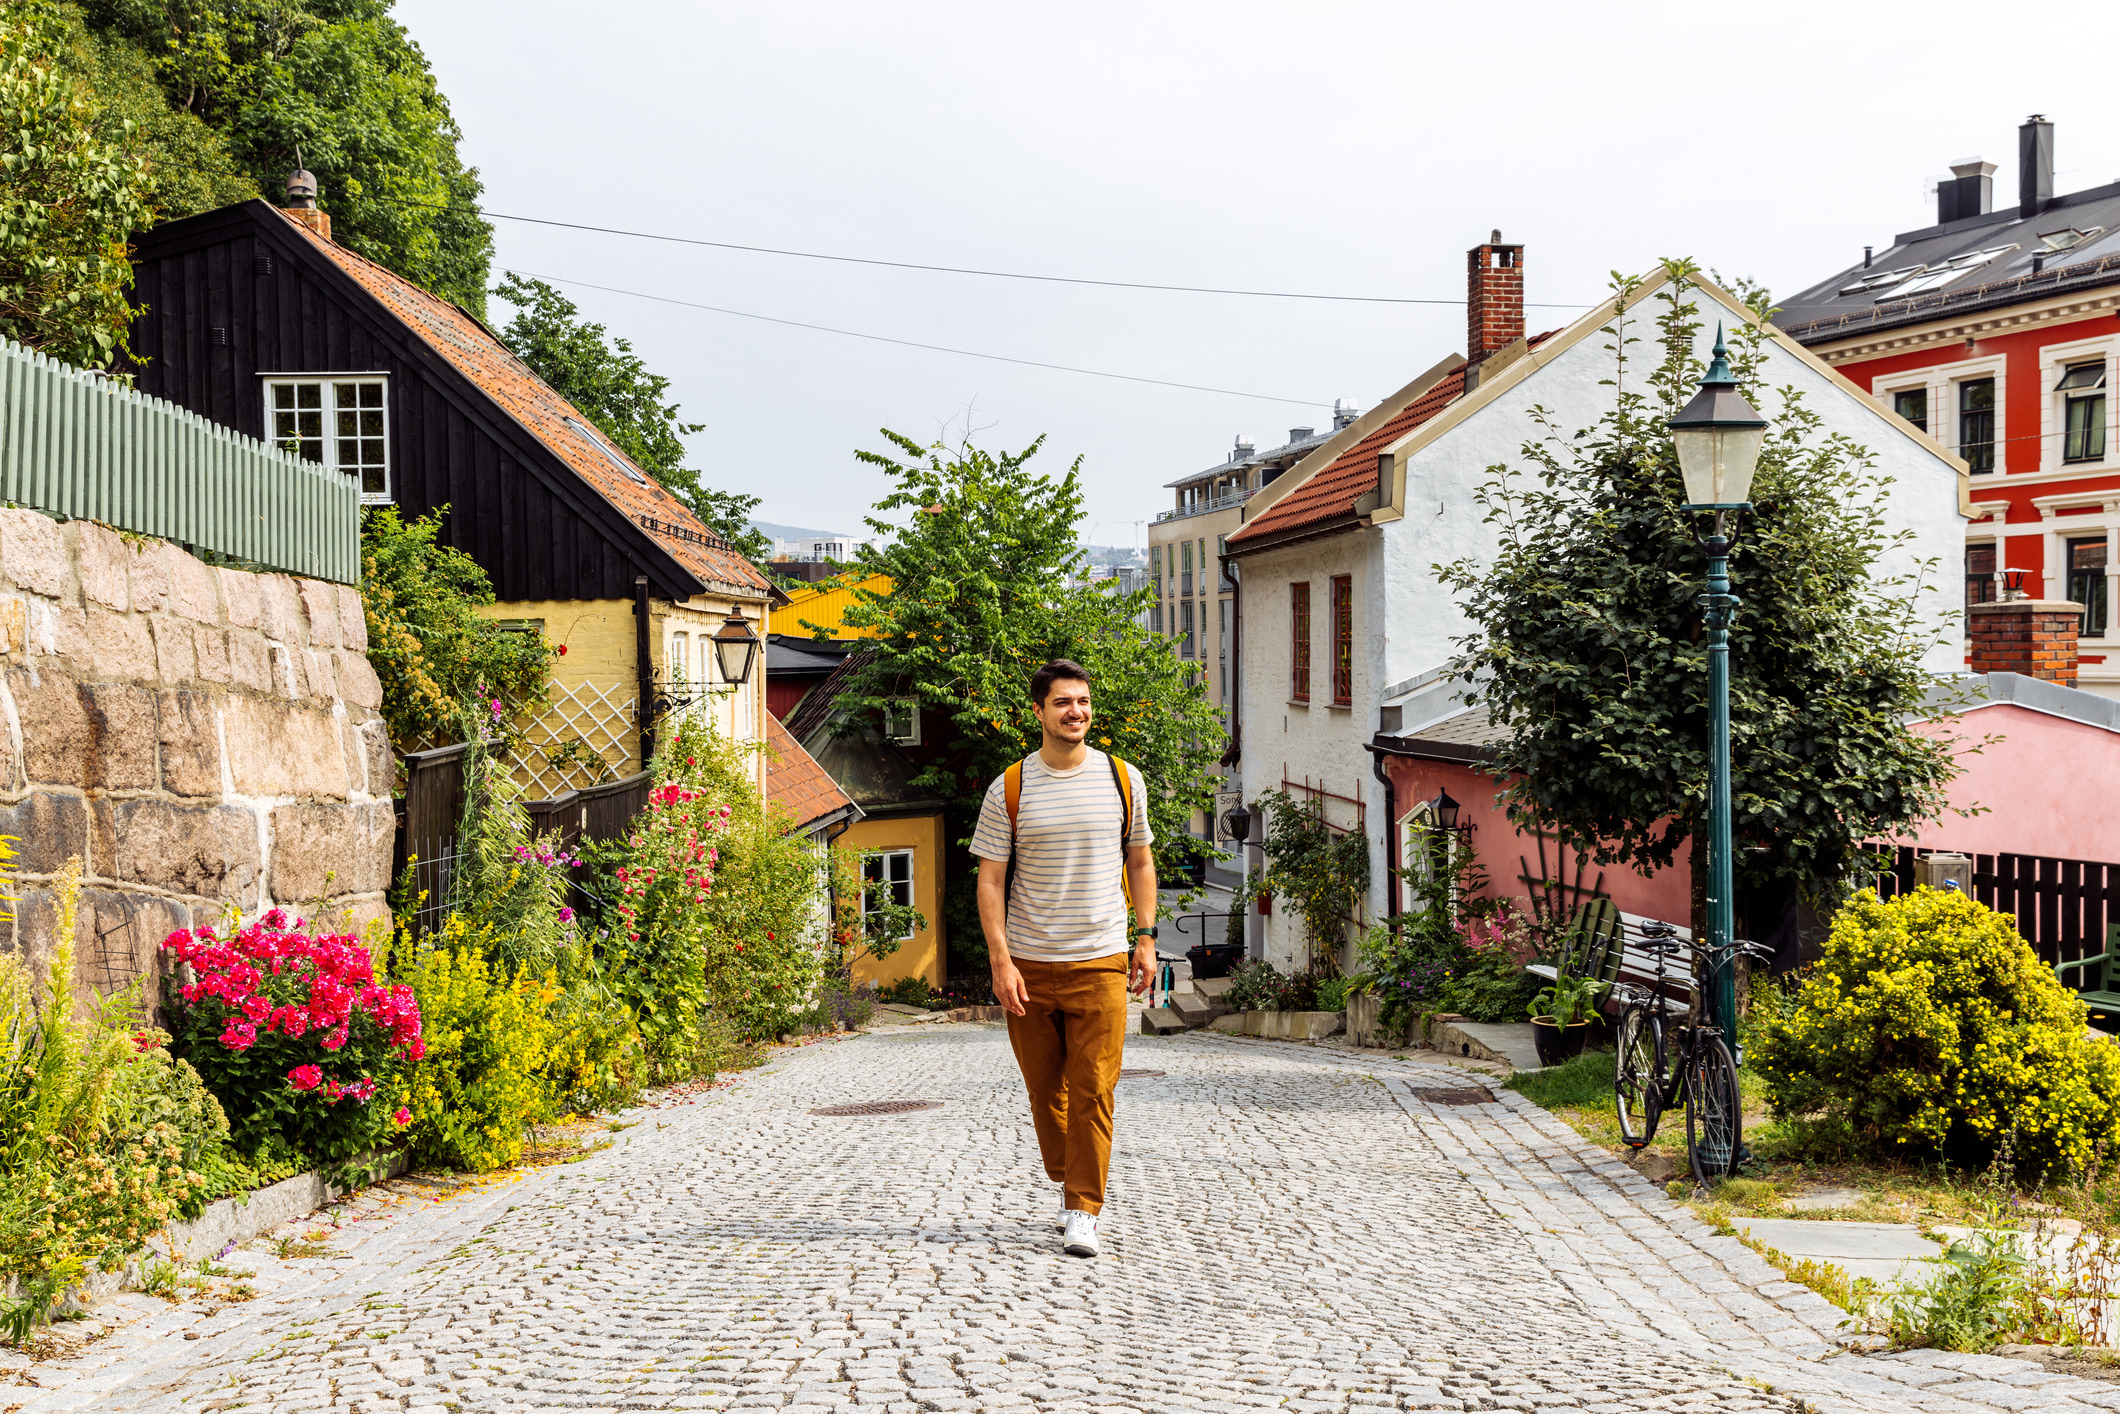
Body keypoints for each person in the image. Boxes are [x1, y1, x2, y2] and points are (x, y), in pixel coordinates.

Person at [971, 658, 1157, 1258]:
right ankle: (1067, 1172)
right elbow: (990, 879)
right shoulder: (1009, 788)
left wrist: (1146, 937)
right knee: (1045, 1090)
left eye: (1083, 701)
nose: (1076, 712)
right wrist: (1000, 960)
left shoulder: (1123, 780)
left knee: (1094, 1089)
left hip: (1101, 959)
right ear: (1039, 712)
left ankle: (1083, 1207)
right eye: (1062, 703)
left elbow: (1141, 862)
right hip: (1028, 964)